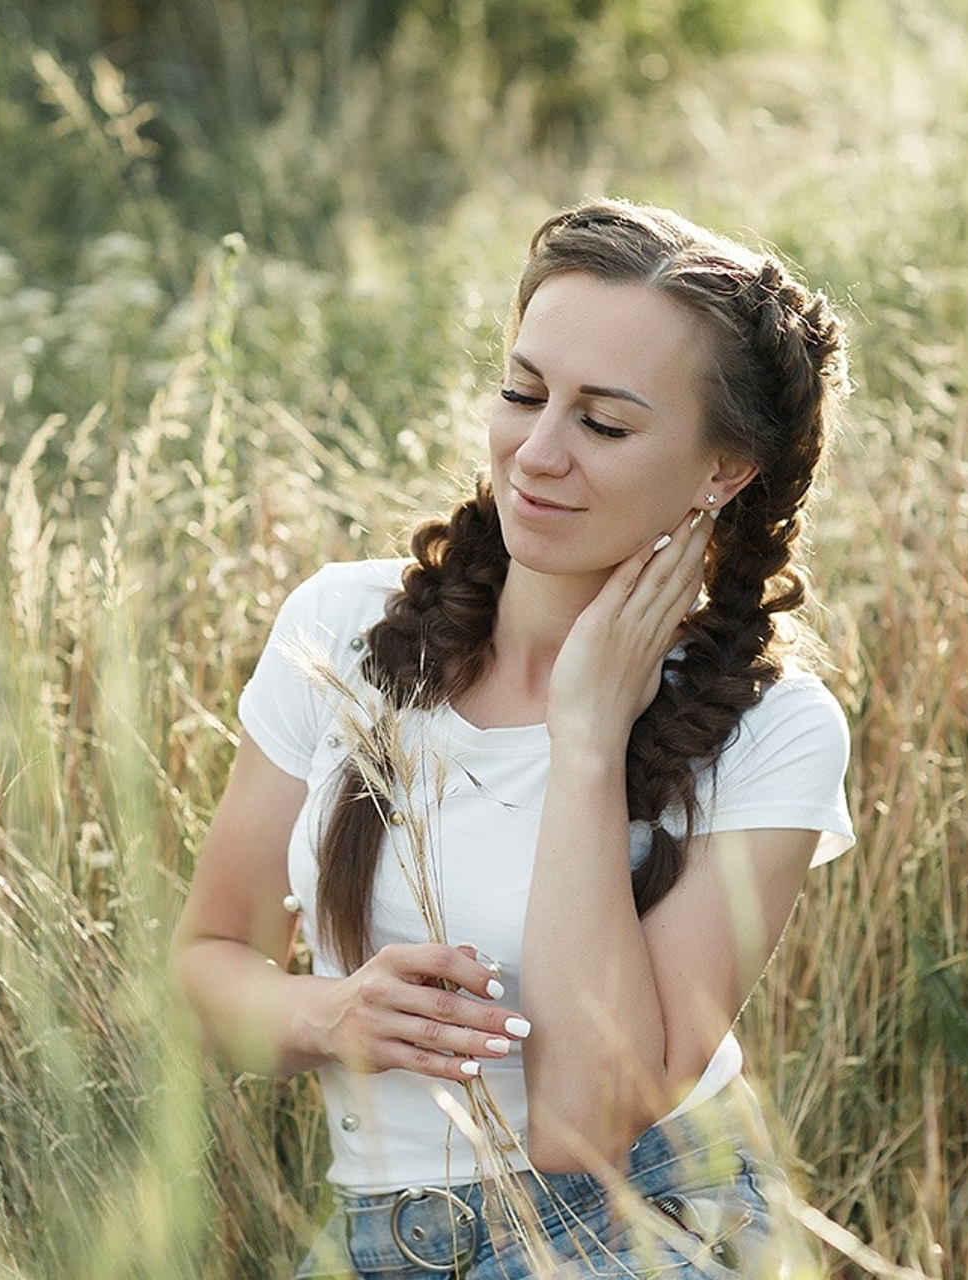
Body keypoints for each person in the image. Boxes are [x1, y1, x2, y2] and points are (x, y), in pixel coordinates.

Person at [171, 197, 855, 1278]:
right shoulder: (336, 628)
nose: (535, 454)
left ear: (720, 469)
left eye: (604, 422)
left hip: (646, 1223)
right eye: (522, 393)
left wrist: (587, 737)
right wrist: (331, 1012)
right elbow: (204, 963)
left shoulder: (774, 730)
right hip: (374, 1236)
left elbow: (584, 1126)